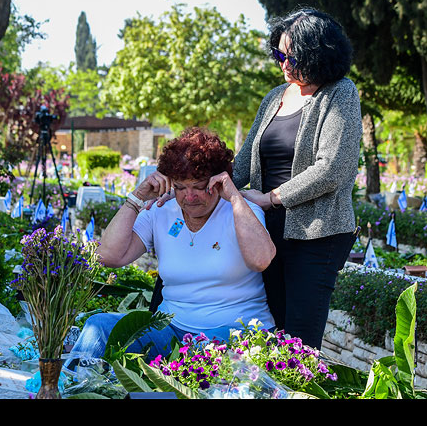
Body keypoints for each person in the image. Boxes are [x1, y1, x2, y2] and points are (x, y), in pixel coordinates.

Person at [65, 127, 276, 368]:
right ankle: (74, 388)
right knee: (99, 326)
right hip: (171, 331)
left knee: (201, 359)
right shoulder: (161, 210)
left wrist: (236, 197)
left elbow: (261, 260)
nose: (189, 197)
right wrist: (136, 198)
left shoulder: (241, 210)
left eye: (199, 187)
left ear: (219, 181)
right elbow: (109, 256)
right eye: (180, 187)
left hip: (234, 334)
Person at [230, 7, 363, 350]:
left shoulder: (340, 93)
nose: (284, 64)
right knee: (268, 332)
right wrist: (195, 183)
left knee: (299, 342)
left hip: (315, 235)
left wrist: (270, 197)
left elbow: (331, 167)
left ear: (321, 54)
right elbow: (243, 163)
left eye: (293, 56)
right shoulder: (274, 97)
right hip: (264, 231)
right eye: (279, 55)